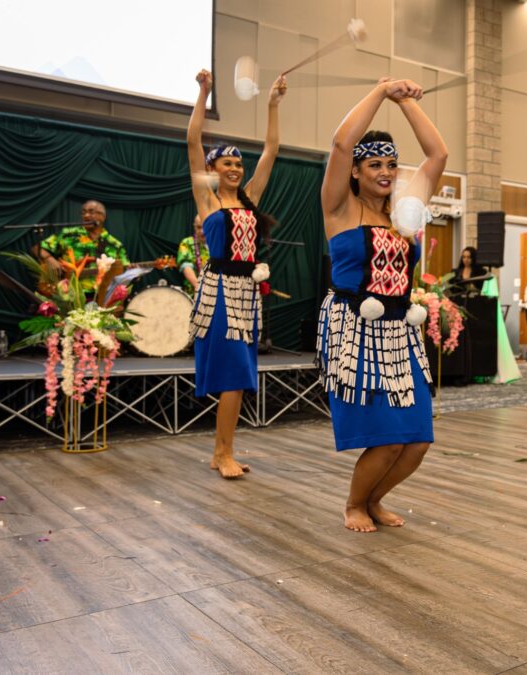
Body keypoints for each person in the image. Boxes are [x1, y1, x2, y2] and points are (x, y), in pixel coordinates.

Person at [318, 78, 447, 533]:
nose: (386, 172)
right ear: (355, 171)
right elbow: (340, 142)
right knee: (386, 439)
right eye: (374, 164)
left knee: (416, 441)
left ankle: (374, 500)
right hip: (354, 327)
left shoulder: (403, 215)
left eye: (391, 164)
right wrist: (381, 91)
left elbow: (437, 157)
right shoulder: (340, 211)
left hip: (398, 332)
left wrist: (408, 103)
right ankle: (354, 503)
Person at [186, 68, 287, 479]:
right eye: (226, 163)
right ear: (213, 168)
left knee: (242, 374)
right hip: (219, 291)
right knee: (233, 373)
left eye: (238, 164)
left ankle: (222, 451)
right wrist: (203, 93)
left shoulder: (249, 201)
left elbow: (272, 150)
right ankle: (221, 452)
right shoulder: (208, 200)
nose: (235, 168)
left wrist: (272, 105)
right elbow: (192, 141)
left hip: (246, 292)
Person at [37, 200, 129, 276]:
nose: (86, 215)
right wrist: (49, 258)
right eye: (83, 212)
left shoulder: (115, 244)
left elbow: (126, 269)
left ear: (103, 217)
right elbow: (37, 248)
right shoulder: (68, 234)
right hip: (69, 293)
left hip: (102, 294)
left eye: (91, 212)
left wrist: (133, 273)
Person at [176, 214, 209, 295]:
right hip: (194, 295)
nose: (202, 231)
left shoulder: (218, 243)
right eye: (199, 227)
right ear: (194, 227)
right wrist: (199, 288)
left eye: (205, 227)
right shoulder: (186, 243)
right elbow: (186, 267)